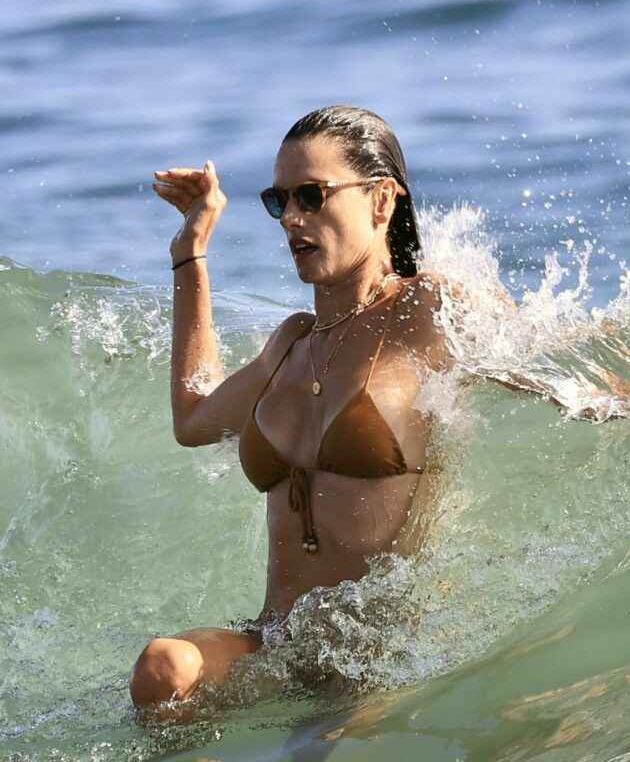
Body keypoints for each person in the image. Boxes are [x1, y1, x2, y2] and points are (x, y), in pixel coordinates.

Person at [128, 106, 471, 709]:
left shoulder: (429, 312)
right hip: (277, 643)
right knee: (164, 669)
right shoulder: (291, 342)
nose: (291, 217)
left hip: (376, 653)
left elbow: (548, 362)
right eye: (279, 200)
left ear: (381, 201)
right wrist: (191, 250)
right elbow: (193, 417)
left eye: (311, 195)